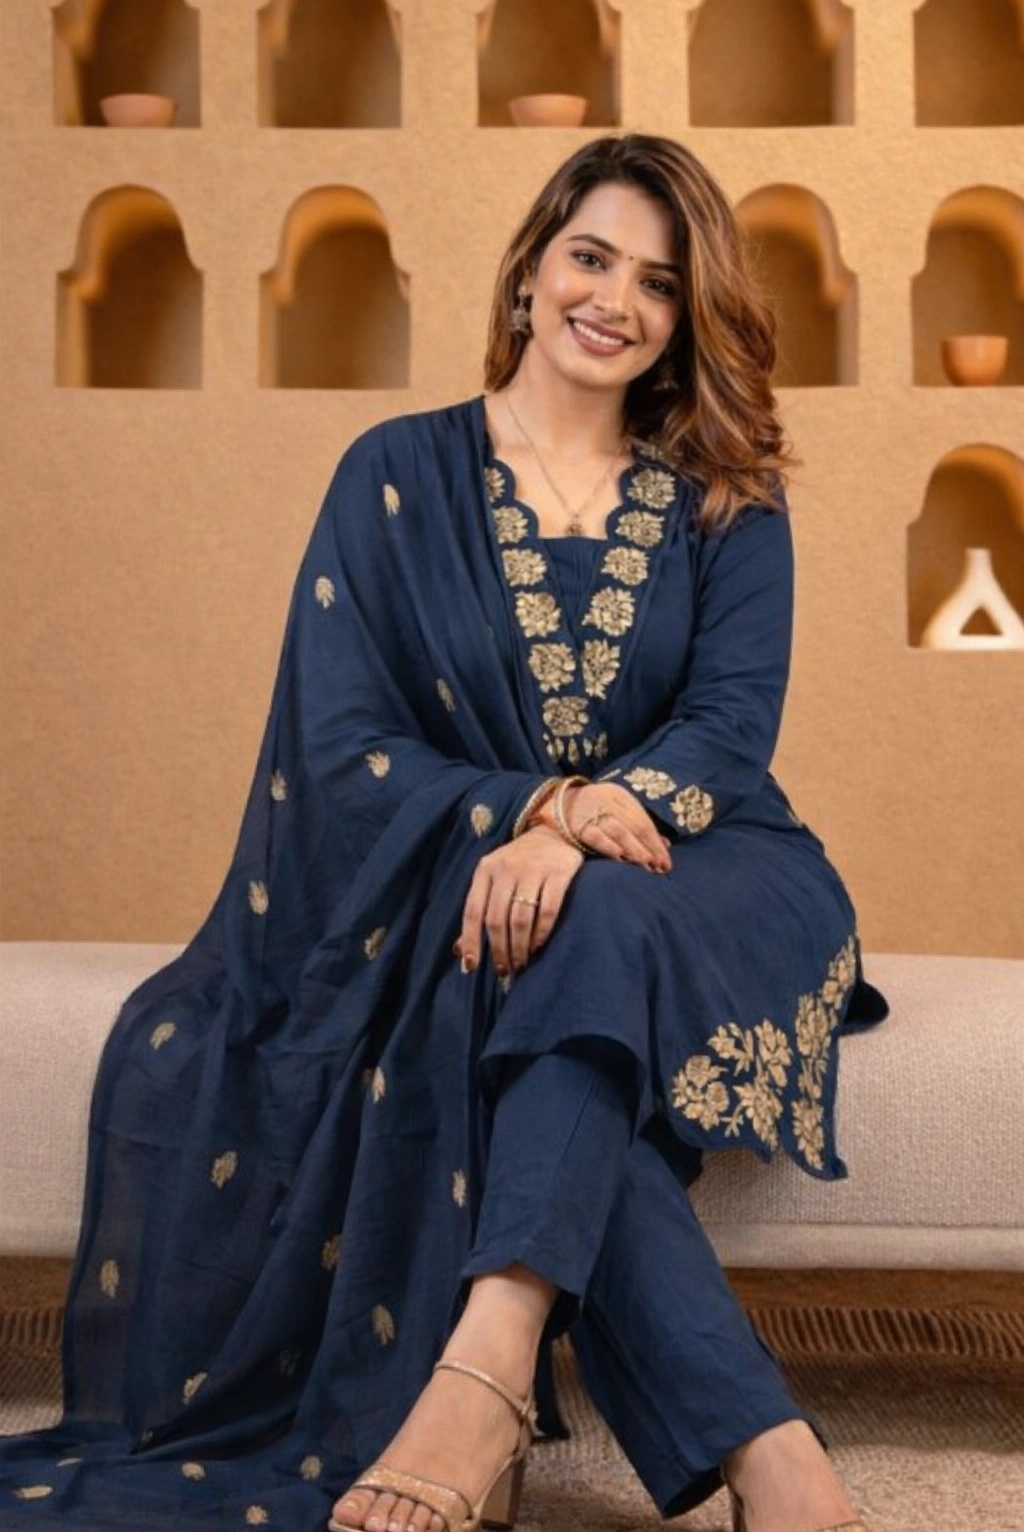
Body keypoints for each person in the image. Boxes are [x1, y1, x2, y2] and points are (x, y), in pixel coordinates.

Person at [0, 135, 886, 1532]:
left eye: (659, 283)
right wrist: (526, 810)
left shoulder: (726, 494)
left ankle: (480, 1379)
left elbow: (728, 729)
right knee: (538, 950)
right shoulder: (395, 475)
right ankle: (776, 1459)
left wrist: (578, 832)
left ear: (682, 318)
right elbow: (339, 744)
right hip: (499, 885)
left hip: (718, 872)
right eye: (591, 257)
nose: (617, 300)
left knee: (579, 913)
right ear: (530, 270)